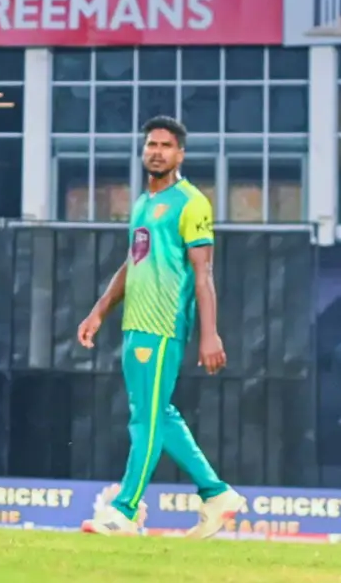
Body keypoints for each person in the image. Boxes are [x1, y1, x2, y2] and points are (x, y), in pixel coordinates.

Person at [74, 116, 247, 537]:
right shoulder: (142, 203)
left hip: (163, 324)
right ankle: (216, 493)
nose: (157, 152)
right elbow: (133, 262)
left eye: (166, 146)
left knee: (144, 421)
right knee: (157, 415)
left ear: (180, 154)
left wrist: (209, 333)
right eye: (151, 144)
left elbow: (203, 274)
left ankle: (124, 510)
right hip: (135, 324)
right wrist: (99, 311)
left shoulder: (191, 203)